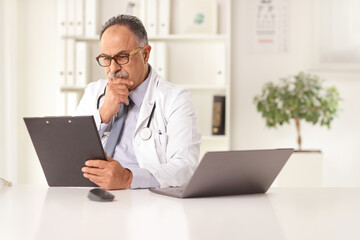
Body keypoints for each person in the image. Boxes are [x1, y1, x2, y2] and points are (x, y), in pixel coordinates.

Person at [75, 15, 201, 190]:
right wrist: (103, 114)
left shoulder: (175, 98)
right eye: (106, 58)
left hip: (145, 201)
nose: (112, 69)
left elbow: (184, 167)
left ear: (145, 54)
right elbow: (71, 151)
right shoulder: (93, 92)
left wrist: (128, 178)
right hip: (90, 194)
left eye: (121, 57)